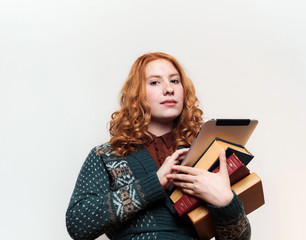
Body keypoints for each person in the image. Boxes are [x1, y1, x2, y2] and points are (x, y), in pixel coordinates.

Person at [66, 52, 251, 240]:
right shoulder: (108, 155)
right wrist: (155, 183)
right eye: (155, 82)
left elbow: (240, 238)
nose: (169, 89)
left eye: (175, 81)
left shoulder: (205, 154)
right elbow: (78, 223)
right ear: (136, 94)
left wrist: (226, 202)